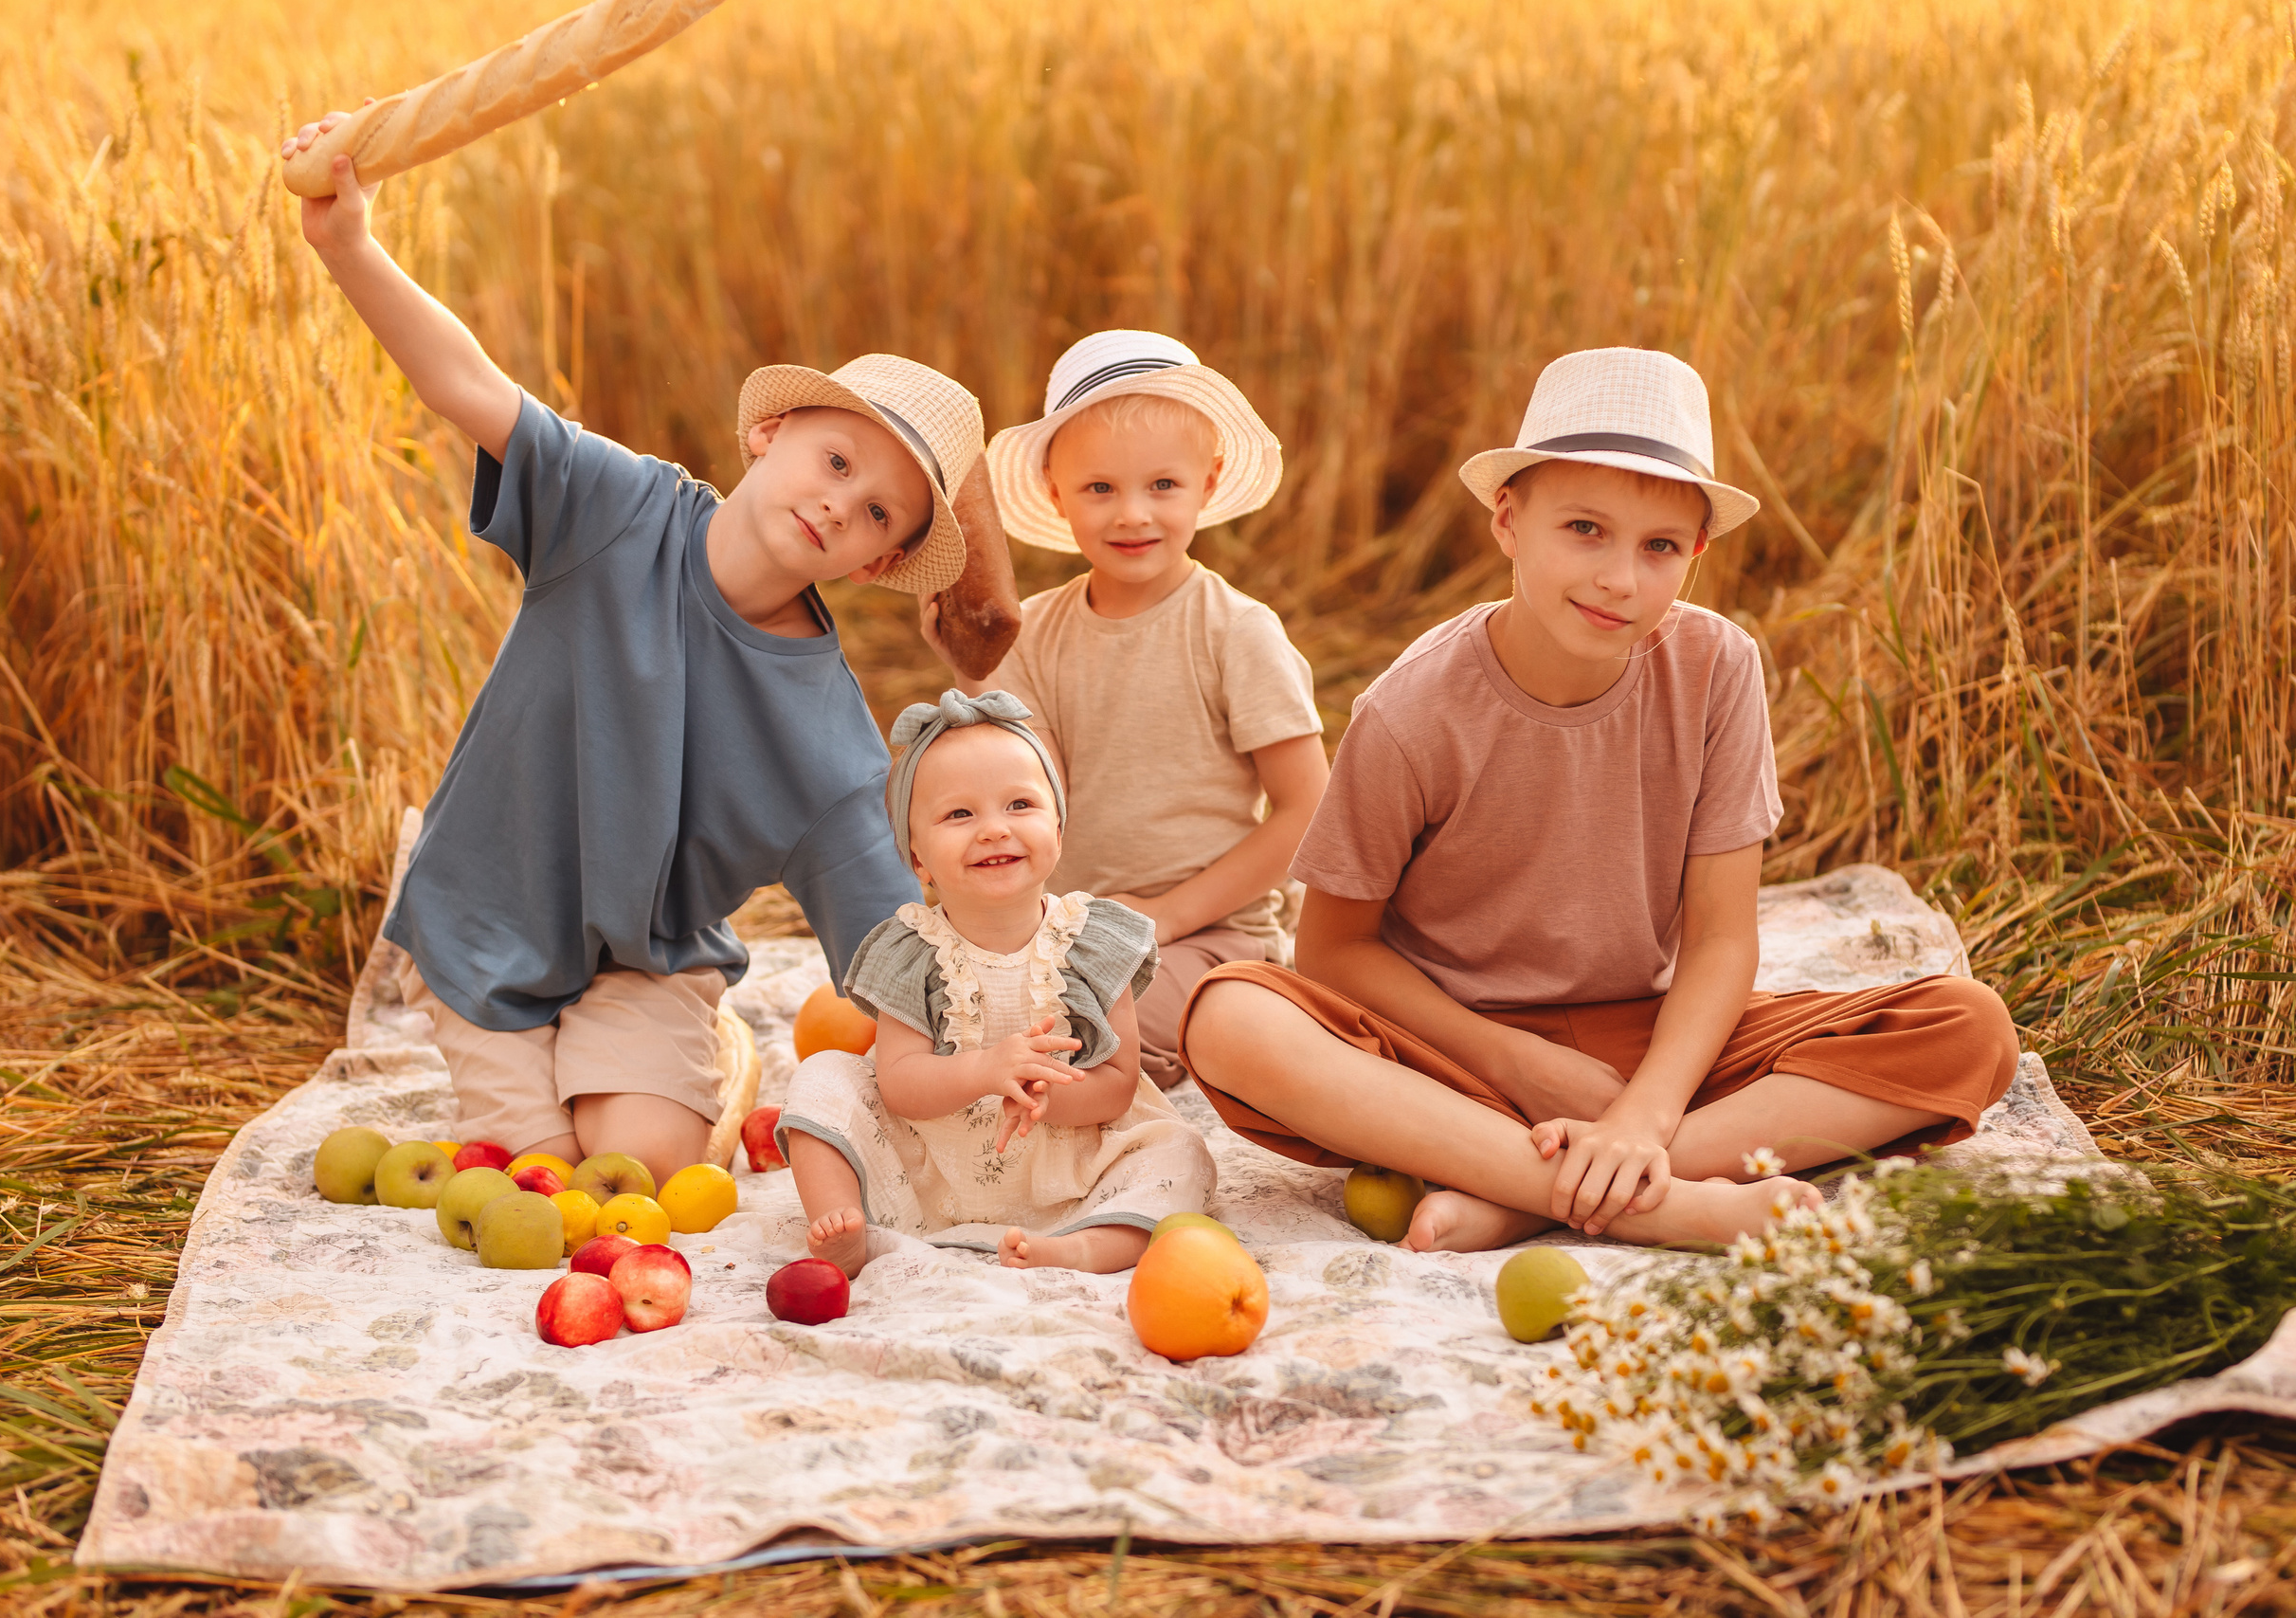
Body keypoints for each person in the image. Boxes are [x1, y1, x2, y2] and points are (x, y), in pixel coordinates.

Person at [1178, 348, 2021, 1252]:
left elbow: (1724, 938)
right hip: (1453, 1055)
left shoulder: (1718, 669)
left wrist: (1645, 1111)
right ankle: (1670, 1200)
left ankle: (1539, 1189)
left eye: (1659, 546)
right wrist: (1518, 1061)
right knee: (1229, 1017)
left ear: (1695, 554)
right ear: (1509, 520)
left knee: (1971, 1028)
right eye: (1585, 529)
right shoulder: (1409, 709)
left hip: (1653, 1039)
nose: (1621, 579)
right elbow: (1334, 948)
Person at [281, 114, 981, 1186]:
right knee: (541, 1175)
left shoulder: (829, 743)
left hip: (644, 963)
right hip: (485, 917)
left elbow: (887, 940)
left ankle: (703, 1054)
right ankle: (567, 1070)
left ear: (881, 564)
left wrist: (996, 1054)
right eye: (834, 460)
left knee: (637, 1171)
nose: (840, 505)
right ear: (769, 432)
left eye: (879, 513)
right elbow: (468, 387)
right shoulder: (616, 512)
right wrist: (348, 244)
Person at [928, 331, 1329, 1088]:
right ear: (1056, 493)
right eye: (1100, 489)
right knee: (943, 1019)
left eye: (1163, 486)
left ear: (1206, 484)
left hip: (1208, 934)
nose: (1132, 515)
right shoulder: (1034, 631)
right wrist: (974, 673)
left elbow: (1307, 811)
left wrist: (1169, 915)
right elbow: (1034, 796)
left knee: (1093, 1036)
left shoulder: (1234, 630)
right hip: (1063, 933)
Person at [780, 692, 1216, 1277]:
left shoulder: (1091, 941)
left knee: (1180, 1152)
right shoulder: (912, 950)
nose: (993, 830)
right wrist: (985, 1071)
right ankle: (845, 1226)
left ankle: (1084, 1246)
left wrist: (1048, 1095)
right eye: (959, 815)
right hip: (932, 1160)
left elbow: (1118, 1082)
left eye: (1019, 805)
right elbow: (900, 1083)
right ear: (917, 858)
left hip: (1069, 1158)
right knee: (822, 1077)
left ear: (1057, 830)